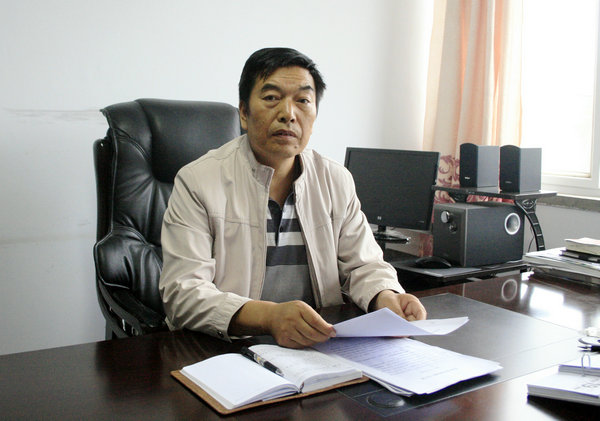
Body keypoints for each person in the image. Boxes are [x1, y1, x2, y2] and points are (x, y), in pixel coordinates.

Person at [159, 47, 426, 349]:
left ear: (315, 115)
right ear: (244, 113)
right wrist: (269, 317)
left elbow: (364, 265)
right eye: (272, 98)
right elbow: (184, 292)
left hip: (317, 348)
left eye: (303, 101)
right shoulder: (198, 181)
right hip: (224, 349)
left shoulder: (335, 180)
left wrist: (386, 296)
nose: (288, 113)